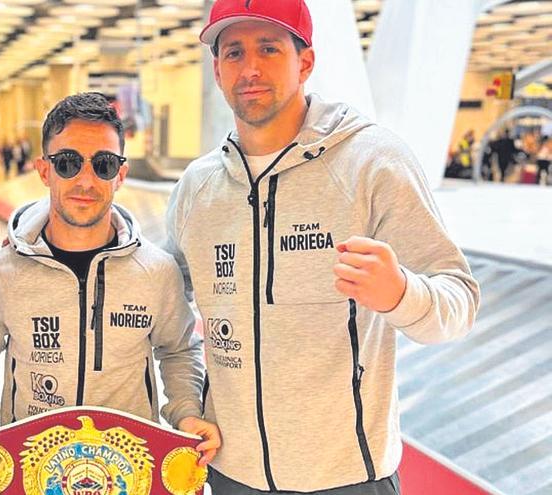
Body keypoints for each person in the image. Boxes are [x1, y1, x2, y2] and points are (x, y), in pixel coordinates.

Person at [164, 1, 480, 493]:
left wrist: (400, 294)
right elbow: (162, 301)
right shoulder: (197, 187)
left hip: (348, 477)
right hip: (230, 473)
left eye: (269, 48)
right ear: (218, 70)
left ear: (304, 61)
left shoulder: (373, 162)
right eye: (233, 52)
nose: (249, 68)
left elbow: (458, 301)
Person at [0, 92, 220, 474]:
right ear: (44, 171)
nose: (85, 180)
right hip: (31, 470)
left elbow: (178, 350)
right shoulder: (1, 273)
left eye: (104, 164)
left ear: (121, 175)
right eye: (68, 163)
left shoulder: (156, 272)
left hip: (129, 472)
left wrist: (187, 414)